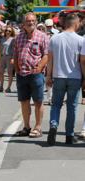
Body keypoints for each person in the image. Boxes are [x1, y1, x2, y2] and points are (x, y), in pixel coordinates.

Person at [46, 13, 83, 146]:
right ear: (75, 23)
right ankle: (69, 135)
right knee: (71, 107)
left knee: (56, 105)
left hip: (58, 76)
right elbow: (82, 61)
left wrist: (48, 76)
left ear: (65, 23)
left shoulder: (55, 39)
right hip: (75, 77)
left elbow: (50, 59)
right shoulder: (81, 40)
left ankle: (54, 125)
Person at [13, 12, 49, 138]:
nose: (31, 23)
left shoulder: (43, 36)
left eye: (33, 21)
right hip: (21, 74)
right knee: (24, 101)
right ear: (24, 24)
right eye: (28, 21)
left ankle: (38, 127)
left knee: (38, 101)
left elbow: (46, 55)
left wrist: (39, 68)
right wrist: (16, 68)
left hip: (36, 75)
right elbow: (16, 53)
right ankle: (26, 127)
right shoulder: (18, 37)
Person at [0, 26, 15, 93]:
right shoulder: (2, 39)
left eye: (9, 31)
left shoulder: (13, 39)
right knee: (0, 72)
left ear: (11, 32)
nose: (8, 32)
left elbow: (14, 49)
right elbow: (0, 48)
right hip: (2, 56)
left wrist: (13, 58)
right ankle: (1, 86)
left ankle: (8, 87)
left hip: (9, 56)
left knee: (9, 73)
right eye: (7, 30)